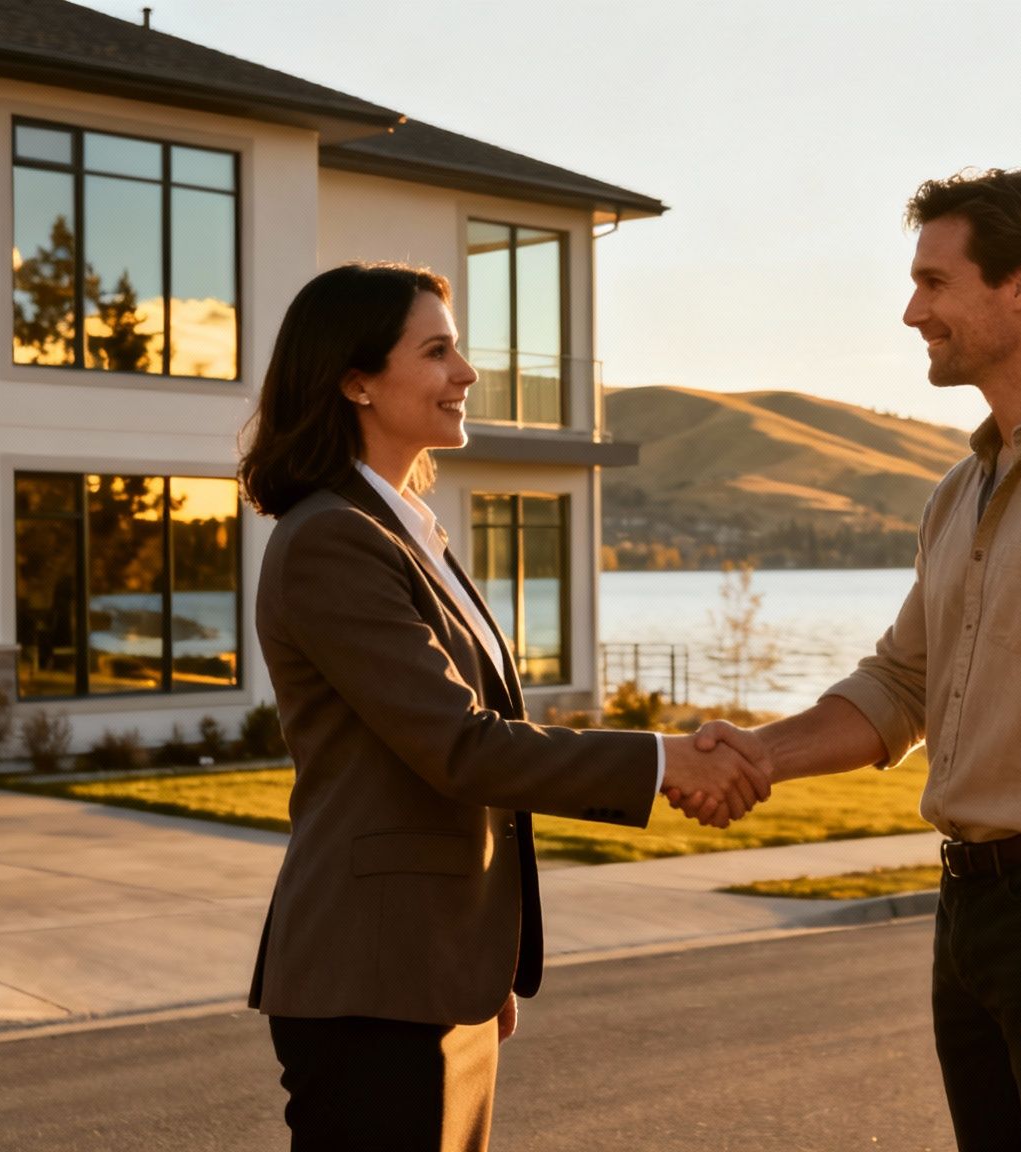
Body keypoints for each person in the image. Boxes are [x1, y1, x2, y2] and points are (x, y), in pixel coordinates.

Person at [691, 169, 1021, 1151]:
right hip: (972, 914)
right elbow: (901, 684)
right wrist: (759, 755)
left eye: (935, 283)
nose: (913, 312)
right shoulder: (962, 490)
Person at [239, 262, 770, 1152]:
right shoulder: (333, 538)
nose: (467, 372)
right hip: (373, 984)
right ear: (356, 381)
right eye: (436, 351)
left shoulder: (406, 530)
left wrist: (478, 954)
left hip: (435, 971)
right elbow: (464, 748)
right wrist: (664, 760)